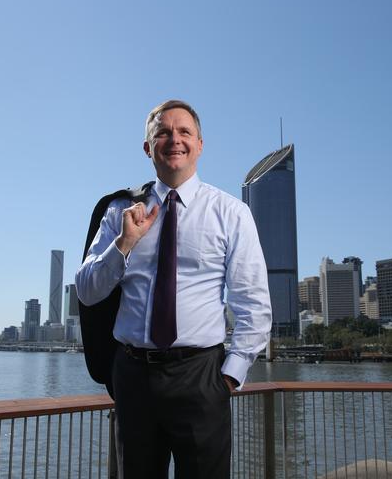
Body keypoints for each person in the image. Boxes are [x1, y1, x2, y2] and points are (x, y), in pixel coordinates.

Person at [75, 100, 272, 479]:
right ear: (148, 148)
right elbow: (86, 292)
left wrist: (229, 376)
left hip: (201, 377)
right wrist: (123, 245)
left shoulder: (231, 213)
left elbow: (254, 305)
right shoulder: (119, 211)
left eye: (184, 132)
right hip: (133, 375)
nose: (174, 140)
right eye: (162, 133)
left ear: (199, 145)